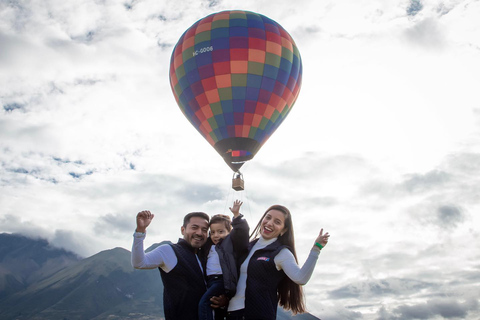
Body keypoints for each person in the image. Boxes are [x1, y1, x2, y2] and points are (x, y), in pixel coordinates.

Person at [220, 205, 330, 320]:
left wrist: (316, 249)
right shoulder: (248, 246)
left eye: (277, 222)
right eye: (268, 218)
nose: (269, 223)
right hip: (232, 313)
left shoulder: (281, 253)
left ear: (284, 230)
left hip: (258, 315)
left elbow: (301, 278)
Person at [131, 209, 214, 320]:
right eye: (194, 227)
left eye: (204, 230)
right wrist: (140, 231)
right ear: (183, 230)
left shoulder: (208, 256)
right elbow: (139, 263)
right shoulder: (169, 250)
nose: (199, 233)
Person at [199, 200, 249, 320]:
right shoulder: (209, 247)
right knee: (217, 310)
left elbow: (241, 233)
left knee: (204, 304)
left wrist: (236, 216)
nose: (216, 235)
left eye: (221, 232)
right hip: (210, 281)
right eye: (213, 232)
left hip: (222, 280)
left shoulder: (230, 244)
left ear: (229, 232)